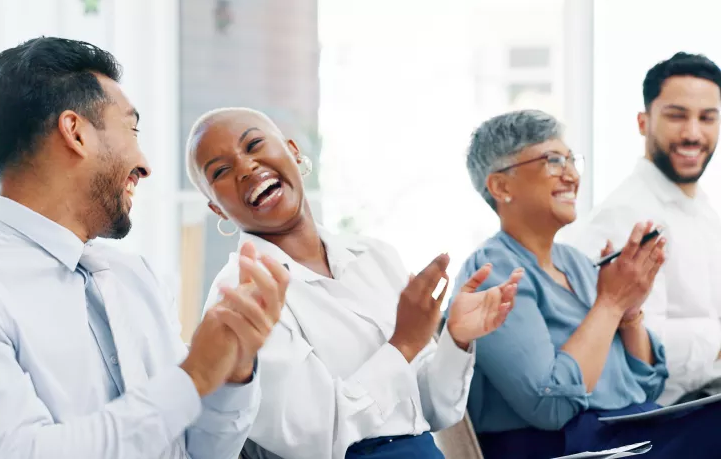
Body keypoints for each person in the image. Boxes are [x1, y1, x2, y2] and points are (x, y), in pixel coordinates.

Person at [0, 37, 289, 459]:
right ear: (75, 132)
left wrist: (234, 371)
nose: (146, 164)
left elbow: (201, 452)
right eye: (131, 129)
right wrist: (191, 379)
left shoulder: (136, 277)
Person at [184, 107, 524, 459]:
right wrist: (404, 343)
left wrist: (456, 339)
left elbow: (434, 408)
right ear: (217, 209)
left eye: (254, 145)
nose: (246, 168)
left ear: (293, 151)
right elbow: (315, 434)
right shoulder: (239, 296)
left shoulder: (375, 256)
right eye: (221, 171)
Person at [456, 109, 721, 458]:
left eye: (571, 160)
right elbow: (549, 406)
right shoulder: (495, 272)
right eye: (552, 161)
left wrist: (629, 313)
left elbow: (647, 384)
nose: (571, 175)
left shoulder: (577, 264)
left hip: (628, 431)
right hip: (561, 446)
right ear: (502, 186)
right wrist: (609, 304)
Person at [560, 52, 721, 405]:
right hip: (666, 417)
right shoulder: (625, 216)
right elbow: (640, 349)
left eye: (707, 118)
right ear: (643, 122)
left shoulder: (707, 215)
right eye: (676, 116)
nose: (693, 133)